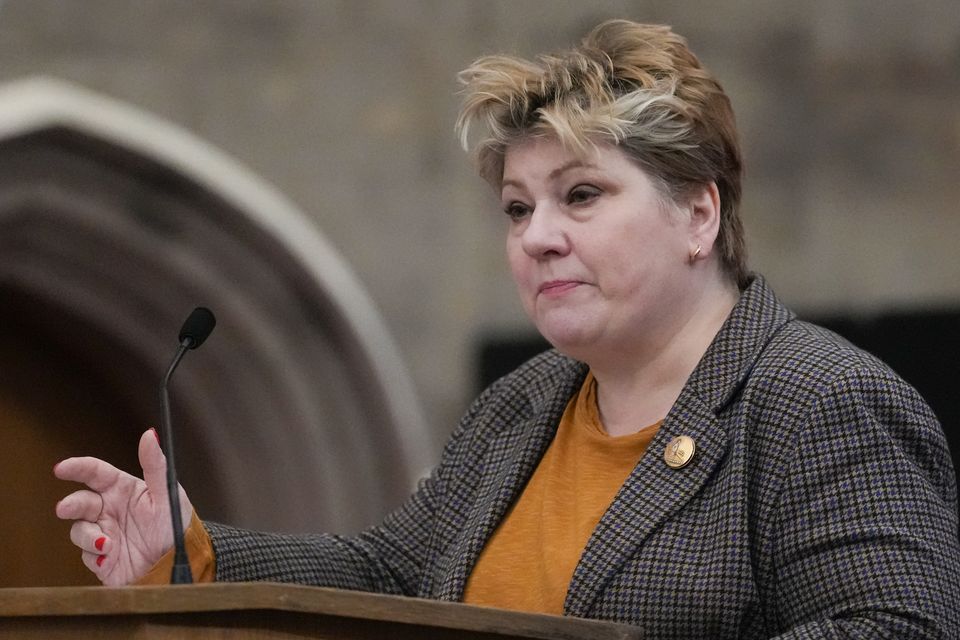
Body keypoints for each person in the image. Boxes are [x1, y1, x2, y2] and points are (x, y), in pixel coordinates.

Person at [54, 19, 960, 638]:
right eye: (517, 209)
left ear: (698, 216)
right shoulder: (522, 407)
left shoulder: (822, 404)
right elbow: (391, 573)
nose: (538, 237)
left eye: (582, 196)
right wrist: (194, 554)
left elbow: (893, 628)